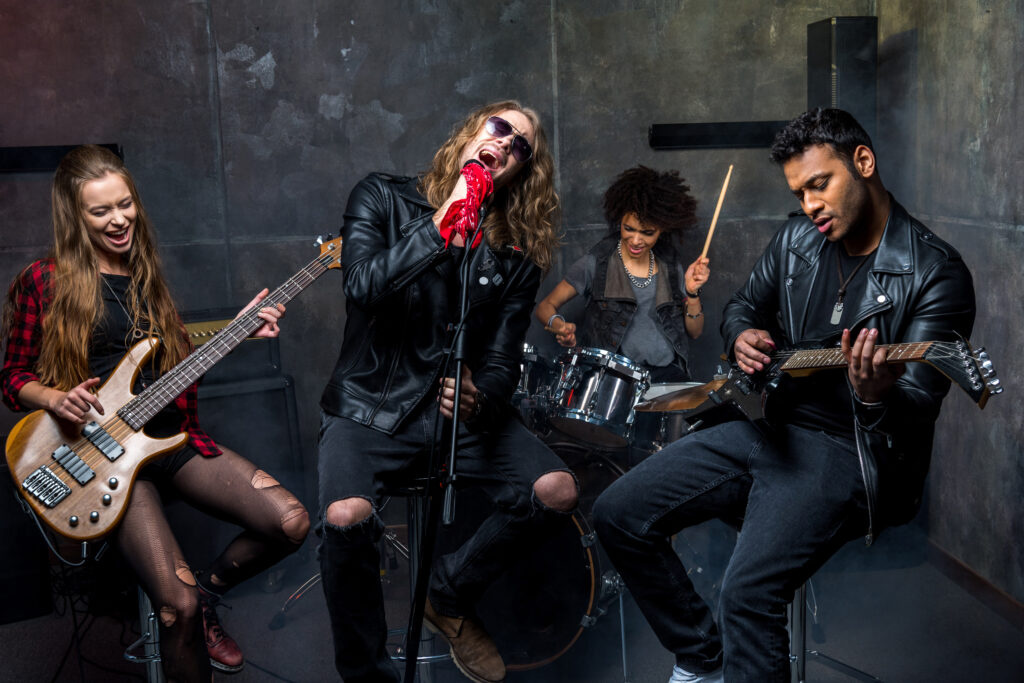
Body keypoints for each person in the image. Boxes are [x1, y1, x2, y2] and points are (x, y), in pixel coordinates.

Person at [592, 108, 976, 682]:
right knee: (617, 512)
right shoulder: (798, 238)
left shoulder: (935, 271)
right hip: (769, 426)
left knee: (746, 595)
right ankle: (703, 659)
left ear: (863, 162)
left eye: (820, 184)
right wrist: (740, 334)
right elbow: (743, 306)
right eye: (800, 192)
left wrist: (874, 396)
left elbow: (917, 408)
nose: (811, 204)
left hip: (852, 451)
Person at [1, 145, 311, 683]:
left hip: (167, 437)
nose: (119, 219)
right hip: (100, 456)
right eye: (101, 211)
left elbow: (170, 363)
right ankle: (193, 607)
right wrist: (53, 398)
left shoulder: (144, 273)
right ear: (75, 216)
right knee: (177, 608)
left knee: (291, 523)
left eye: (125, 204)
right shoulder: (44, 280)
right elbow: (11, 376)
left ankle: (209, 593)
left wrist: (238, 331)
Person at [317, 100, 577, 683]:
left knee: (557, 490)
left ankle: (448, 592)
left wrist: (481, 393)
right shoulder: (381, 196)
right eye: (499, 128)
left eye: (521, 146)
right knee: (345, 516)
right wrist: (444, 220)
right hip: (370, 405)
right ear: (472, 132)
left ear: (522, 169)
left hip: (455, 416)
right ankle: (368, 676)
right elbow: (362, 286)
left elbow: (503, 358)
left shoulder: (516, 249)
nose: (505, 143)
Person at [534, 165, 711, 383]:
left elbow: (695, 332)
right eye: (629, 229)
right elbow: (545, 307)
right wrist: (559, 325)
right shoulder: (596, 264)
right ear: (620, 221)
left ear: (662, 229)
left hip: (667, 376)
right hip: (614, 380)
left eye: (647, 233)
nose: (636, 240)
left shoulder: (671, 267)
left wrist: (692, 294)